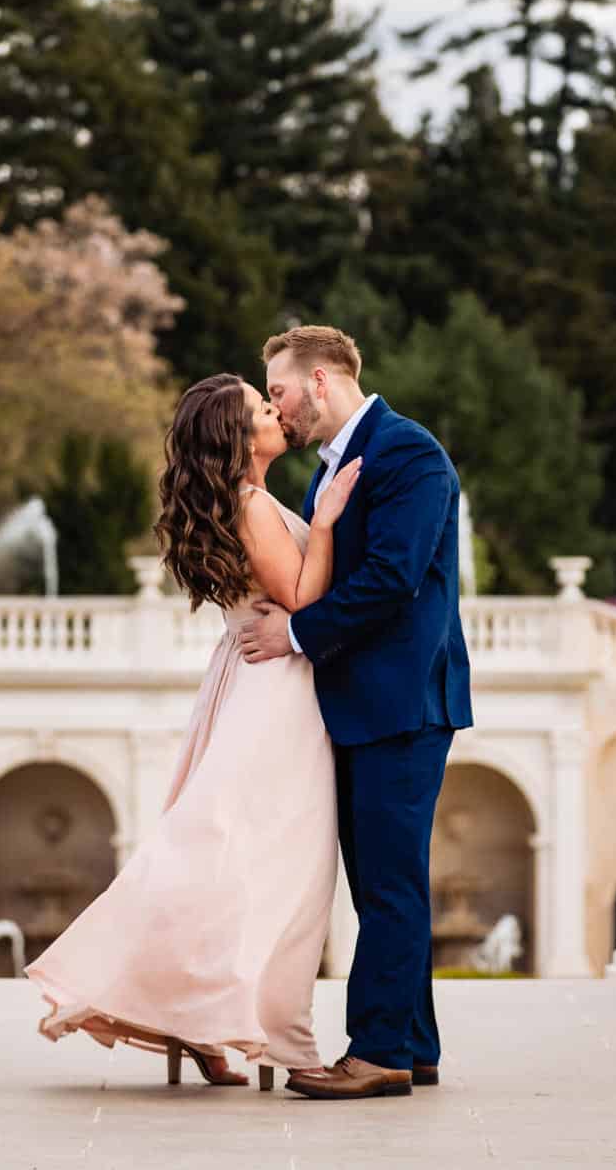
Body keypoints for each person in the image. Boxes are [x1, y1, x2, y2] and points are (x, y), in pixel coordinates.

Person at [28, 373, 363, 1087]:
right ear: (237, 439)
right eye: (259, 408)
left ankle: (203, 1017)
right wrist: (329, 521)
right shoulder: (250, 504)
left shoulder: (248, 502)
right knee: (279, 862)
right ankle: (255, 1026)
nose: (275, 412)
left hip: (253, 678)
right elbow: (303, 597)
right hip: (278, 690)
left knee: (233, 850)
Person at [239, 325, 475, 1100]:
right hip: (369, 705)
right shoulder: (339, 465)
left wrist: (296, 632)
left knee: (389, 883)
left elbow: (393, 578)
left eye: (277, 391)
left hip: (402, 705)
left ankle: (376, 1051)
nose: (275, 407)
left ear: (318, 382)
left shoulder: (407, 451)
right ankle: (415, 1043)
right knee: (384, 878)